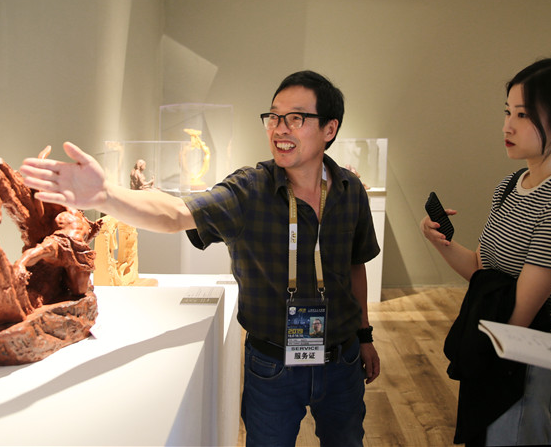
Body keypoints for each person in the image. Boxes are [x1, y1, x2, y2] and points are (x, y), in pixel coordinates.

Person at [20, 70, 381, 447]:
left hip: (341, 360)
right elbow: (177, 213)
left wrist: (365, 336)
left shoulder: (350, 190)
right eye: (273, 117)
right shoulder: (250, 189)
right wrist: (106, 196)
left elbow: (355, 265)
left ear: (329, 128)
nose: (279, 129)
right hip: (273, 365)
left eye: (295, 118)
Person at [422, 57, 551, 445]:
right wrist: (439, 240)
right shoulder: (512, 183)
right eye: (507, 112)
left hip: (527, 364)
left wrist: (479, 357)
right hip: (495, 347)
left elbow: (522, 314)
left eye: (524, 115)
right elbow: (482, 270)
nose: (508, 126)